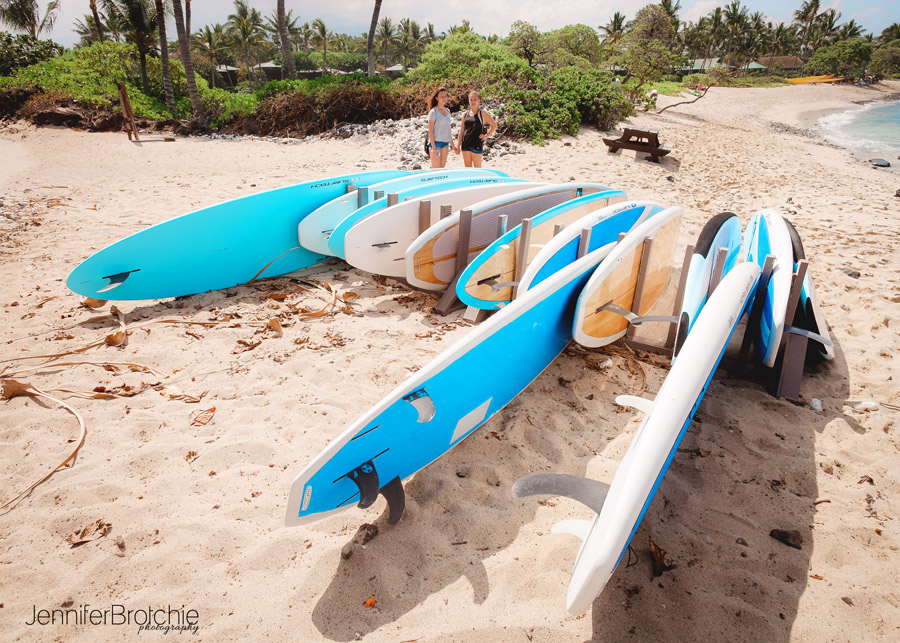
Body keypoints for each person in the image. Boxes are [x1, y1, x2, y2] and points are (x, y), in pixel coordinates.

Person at [456, 90, 497, 168]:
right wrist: (458, 146)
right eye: (471, 99)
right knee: (468, 169)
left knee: (477, 169)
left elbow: (494, 125)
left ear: (479, 100)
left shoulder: (482, 113)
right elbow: (461, 131)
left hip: (476, 144)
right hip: (465, 144)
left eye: (475, 99)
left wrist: (486, 136)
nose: (473, 102)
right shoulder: (465, 114)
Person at [427, 87, 457, 168]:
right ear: (437, 98)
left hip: (445, 143)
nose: (444, 98)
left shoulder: (447, 111)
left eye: (445, 96)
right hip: (436, 143)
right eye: (441, 96)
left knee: (442, 169)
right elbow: (430, 132)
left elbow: (448, 129)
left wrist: (453, 145)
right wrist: (433, 148)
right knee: (436, 170)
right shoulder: (433, 112)